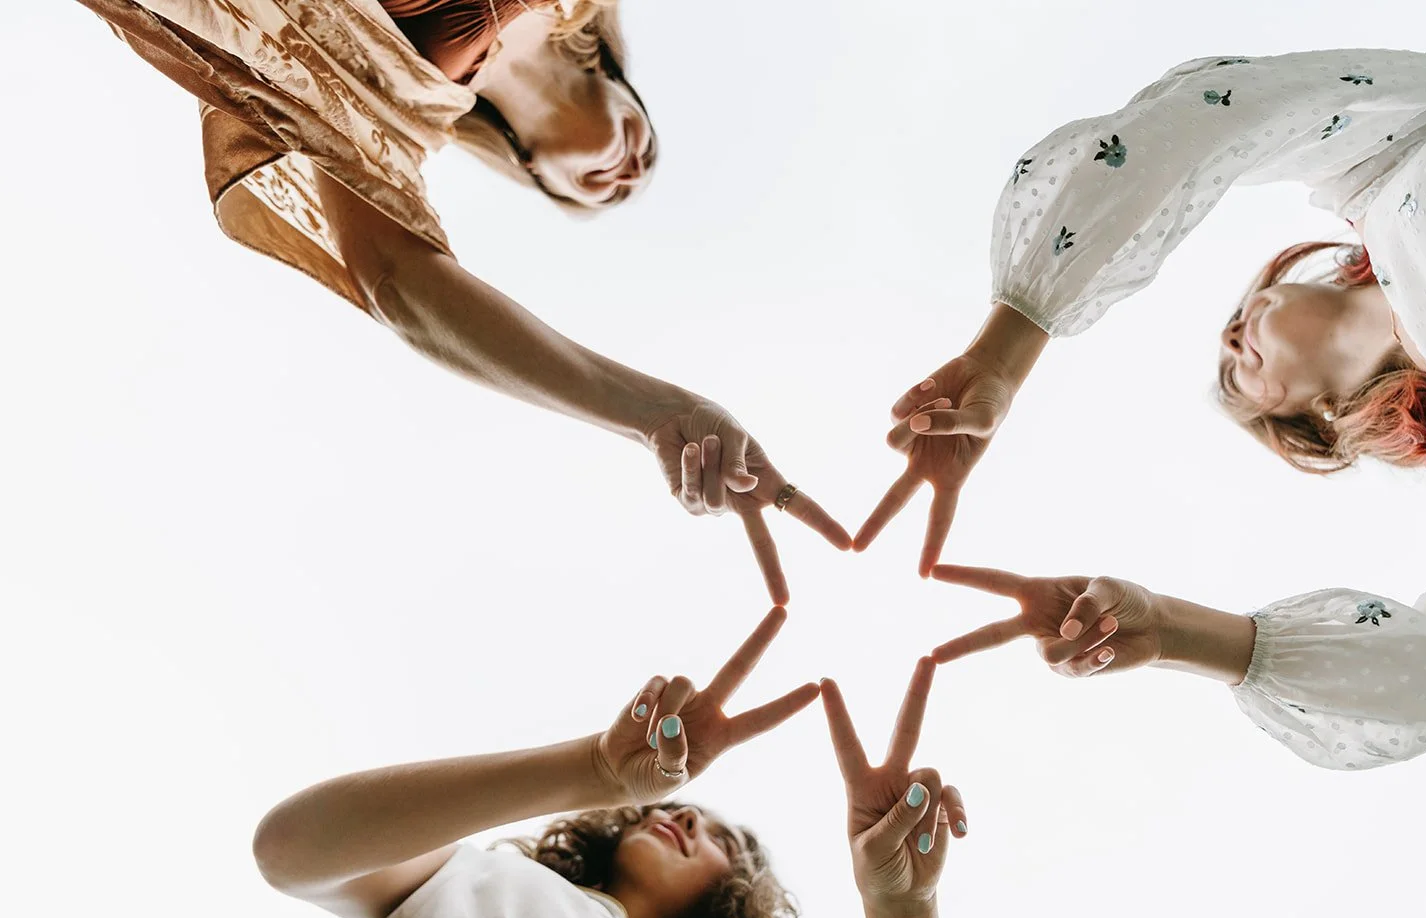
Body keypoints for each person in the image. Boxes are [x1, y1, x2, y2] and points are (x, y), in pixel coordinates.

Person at [854, 49, 1426, 769]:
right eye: (1240, 376)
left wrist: (1002, 353)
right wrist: (1172, 630)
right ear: (1317, 417)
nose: (1233, 341)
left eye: (1233, 328)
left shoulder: (1382, 157)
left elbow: (1211, 113)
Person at [76, 0, 849, 603]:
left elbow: (403, 285)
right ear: (623, 81)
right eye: (649, 150)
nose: (630, 174)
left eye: (600, 194)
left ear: (530, 166)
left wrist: (657, 412)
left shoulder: (390, 107)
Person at [113, 611, 972, 918]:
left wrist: (903, 912)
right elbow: (292, 846)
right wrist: (594, 767)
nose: (686, 817)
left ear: (738, 909)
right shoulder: (474, 881)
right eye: (679, 809)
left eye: (720, 840)